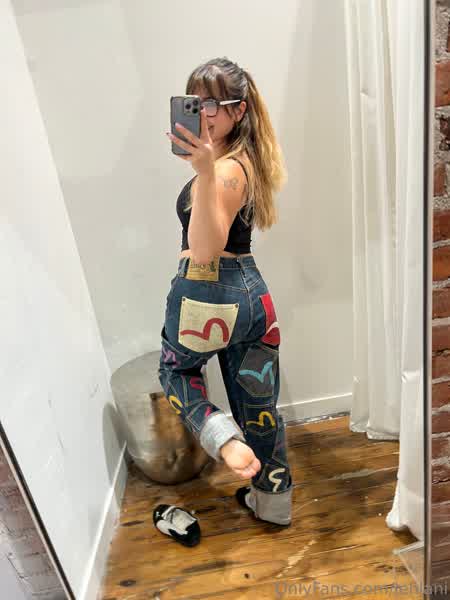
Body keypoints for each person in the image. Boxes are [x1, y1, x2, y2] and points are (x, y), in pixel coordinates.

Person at [158, 57, 292, 526]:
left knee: (175, 371)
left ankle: (224, 438)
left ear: (239, 110)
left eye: (215, 103)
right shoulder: (244, 161)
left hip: (206, 294)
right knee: (258, 408)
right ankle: (273, 506)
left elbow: (204, 251)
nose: (205, 113)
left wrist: (204, 171)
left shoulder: (226, 170)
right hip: (253, 298)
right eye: (197, 102)